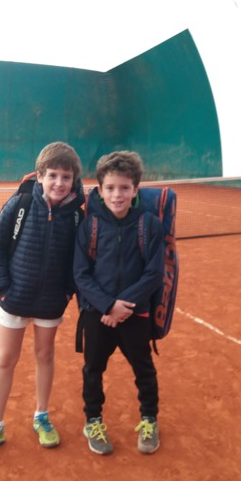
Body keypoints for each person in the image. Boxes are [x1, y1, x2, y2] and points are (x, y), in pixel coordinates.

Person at [0, 142, 85, 451]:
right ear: (39, 175)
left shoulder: (76, 216)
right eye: (52, 175)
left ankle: (41, 416)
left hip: (50, 303)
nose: (59, 183)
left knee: (45, 356)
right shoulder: (21, 203)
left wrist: (66, 292)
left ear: (74, 180)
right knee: (6, 359)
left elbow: (79, 260)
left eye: (66, 177)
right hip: (13, 298)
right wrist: (1, 288)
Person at [73, 151, 165, 455]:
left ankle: (149, 419)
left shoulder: (150, 225)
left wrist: (124, 306)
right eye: (110, 188)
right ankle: (93, 420)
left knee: (144, 369)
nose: (117, 195)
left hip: (136, 315)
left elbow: (154, 274)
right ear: (100, 190)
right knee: (93, 369)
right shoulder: (89, 227)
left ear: (135, 189)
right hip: (97, 315)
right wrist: (108, 306)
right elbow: (81, 274)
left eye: (125, 188)